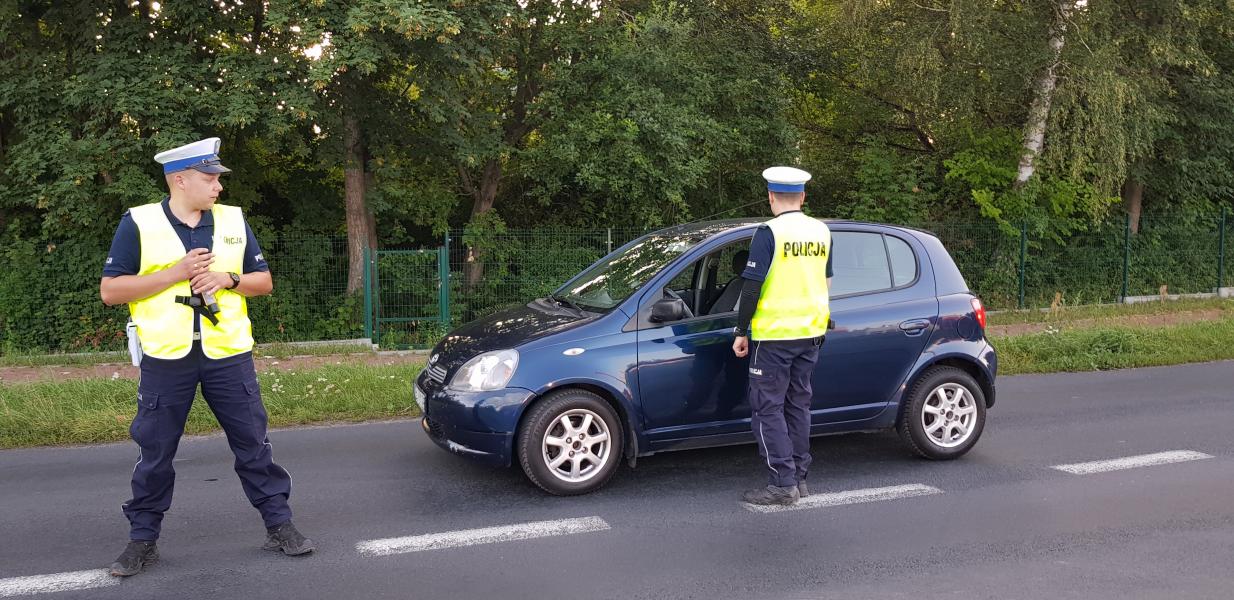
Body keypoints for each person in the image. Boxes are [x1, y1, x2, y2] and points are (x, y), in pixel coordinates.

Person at [99, 138, 313, 577]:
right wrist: (175, 274)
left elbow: (263, 281)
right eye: (209, 178)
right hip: (166, 357)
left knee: (253, 444)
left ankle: (280, 525)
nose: (218, 186)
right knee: (156, 452)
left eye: (218, 178)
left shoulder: (233, 220)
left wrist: (228, 278)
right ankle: (142, 540)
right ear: (180, 180)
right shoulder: (139, 222)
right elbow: (111, 291)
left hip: (228, 354)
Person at [731, 166, 833, 506]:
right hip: (811, 333)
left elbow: (751, 288)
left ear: (771, 197)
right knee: (798, 406)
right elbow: (826, 282)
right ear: (803, 196)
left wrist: (740, 331)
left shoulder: (769, 232)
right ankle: (800, 479)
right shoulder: (821, 231)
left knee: (767, 409)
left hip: (774, 337)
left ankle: (781, 484)